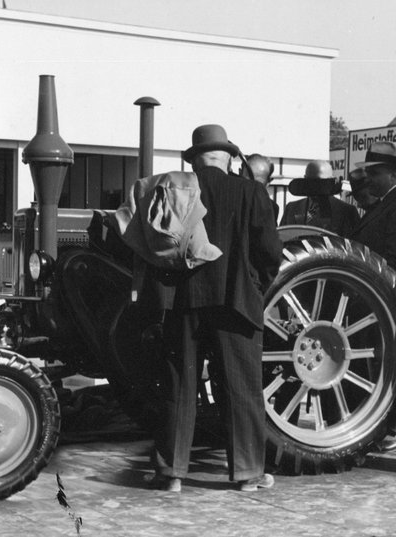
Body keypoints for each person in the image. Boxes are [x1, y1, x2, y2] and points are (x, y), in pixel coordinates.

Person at [127, 124, 283, 492]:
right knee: (242, 389)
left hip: (183, 302)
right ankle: (248, 474)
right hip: (237, 301)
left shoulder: (175, 192)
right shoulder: (251, 192)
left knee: (179, 386)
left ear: (194, 160)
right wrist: (254, 284)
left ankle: (171, 473)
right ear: (229, 158)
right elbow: (271, 252)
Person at [350, 141, 396, 452]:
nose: (369, 180)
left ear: (393, 174)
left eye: (375, 173)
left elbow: (394, 256)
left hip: (393, 297)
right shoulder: (383, 205)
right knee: (379, 361)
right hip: (374, 294)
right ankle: (386, 426)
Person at [280, 160, 360, 237]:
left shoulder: (347, 212)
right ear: (305, 179)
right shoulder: (291, 208)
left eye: (319, 182)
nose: (314, 188)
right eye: (310, 182)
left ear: (331, 180)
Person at [240, 153, 279, 222]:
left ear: (268, 182)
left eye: (258, 185)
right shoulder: (227, 200)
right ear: (240, 173)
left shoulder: (271, 208)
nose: (251, 189)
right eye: (247, 183)